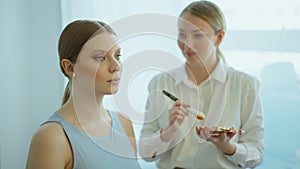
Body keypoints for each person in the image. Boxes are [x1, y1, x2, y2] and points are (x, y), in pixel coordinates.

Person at [139, 1, 264, 168]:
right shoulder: (160, 84)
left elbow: (256, 153)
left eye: (197, 35)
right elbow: (145, 153)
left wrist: (227, 147)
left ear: (219, 37)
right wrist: (169, 130)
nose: (187, 44)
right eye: (182, 35)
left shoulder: (245, 85)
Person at [26, 20, 141, 169]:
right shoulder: (51, 138)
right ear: (69, 67)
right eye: (100, 57)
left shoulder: (125, 124)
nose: (116, 66)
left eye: (117, 55)